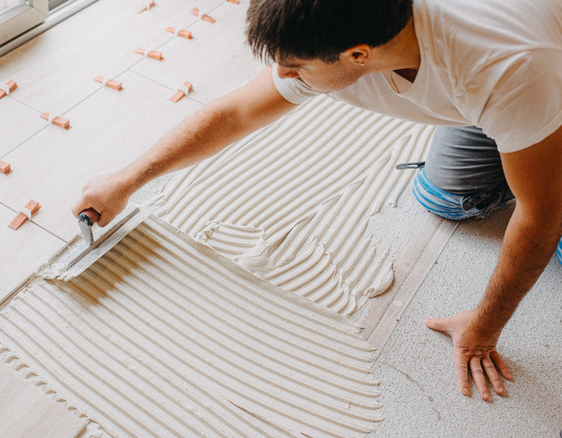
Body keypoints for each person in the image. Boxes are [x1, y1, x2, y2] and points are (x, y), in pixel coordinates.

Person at [72, 0, 562, 401]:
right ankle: (518, 138)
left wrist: (483, 327)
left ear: (358, 55)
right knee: (445, 198)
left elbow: (539, 216)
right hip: (507, 93)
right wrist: (127, 178)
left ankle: (533, 142)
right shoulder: (346, 32)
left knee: (548, 219)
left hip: (542, 79)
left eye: (294, 65)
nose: (282, 74)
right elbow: (236, 114)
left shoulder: (505, 68)